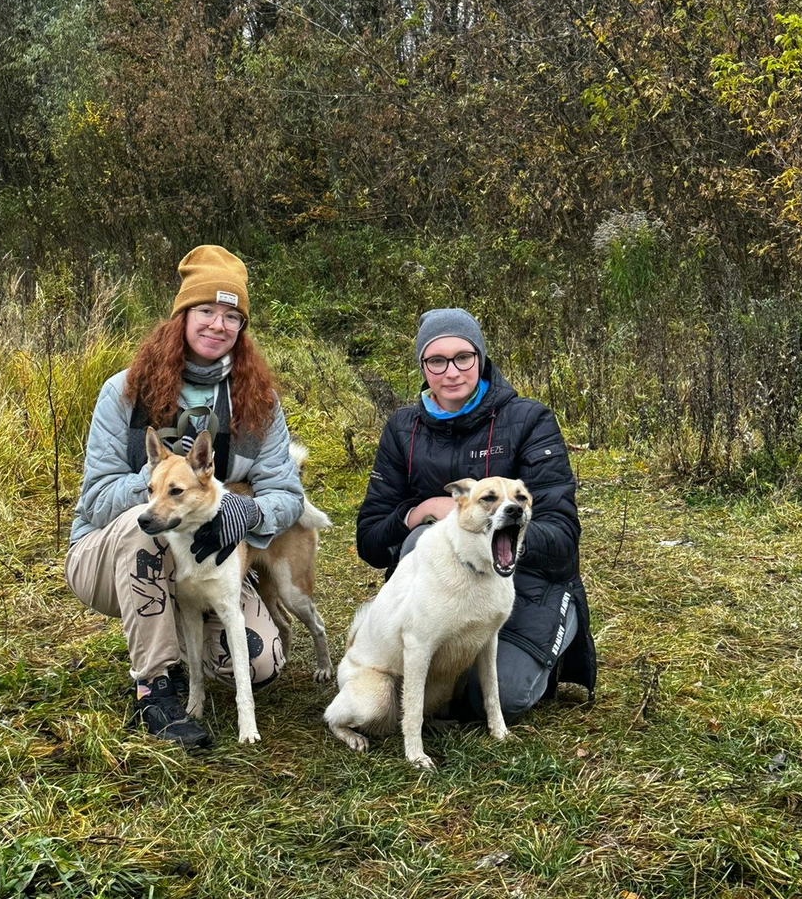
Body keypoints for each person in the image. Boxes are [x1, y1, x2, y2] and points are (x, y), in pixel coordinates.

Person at [65, 245, 304, 749]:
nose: (218, 325)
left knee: (262, 665)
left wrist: (243, 510)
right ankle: (155, 686)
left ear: (242, 329)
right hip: (106, 560)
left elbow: (287, 494)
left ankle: (192, 640)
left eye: (232, 316)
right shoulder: (124, 393)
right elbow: (94, 499)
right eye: (206, 311)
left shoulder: (258, 402)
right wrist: (164, 485)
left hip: (203, 562)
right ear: (180, 317)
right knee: (145, 524)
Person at [356, 307, 596, 720]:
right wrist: (417, 513)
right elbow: (371, 541)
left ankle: (552, 634)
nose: (452, 372)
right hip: (440, 596)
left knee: (509, 697)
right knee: (421, 539)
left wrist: (494, 528)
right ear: (422, 366)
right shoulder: (401, 429)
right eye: (437, 360)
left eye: (463, 357)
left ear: (480, 358)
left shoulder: (529, 420)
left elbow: (561, 536)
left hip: (526, 583)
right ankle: (440, 659)